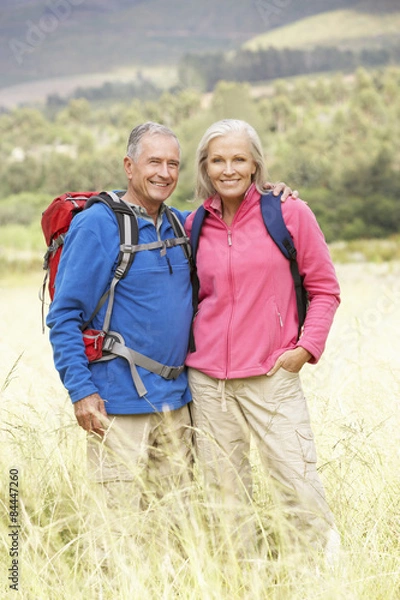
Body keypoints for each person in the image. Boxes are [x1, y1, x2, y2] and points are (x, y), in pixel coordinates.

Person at [46, 121, 294, 524]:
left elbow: (235, 216)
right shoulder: (99, 225)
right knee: (116, 533)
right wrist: (81, 392)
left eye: (173, 164)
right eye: (154, 162)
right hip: (117, 407)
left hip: (177, 405)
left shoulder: (182, 225)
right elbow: (64, 316)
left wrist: (270, 194)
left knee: (175, 532)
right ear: (129, 166)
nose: (164, 172)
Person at [185, 119, 341, 564]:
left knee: (299, 486)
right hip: (208, 381)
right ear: (206, 167)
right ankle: (242, 581)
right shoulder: (195, 223)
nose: (228, 168)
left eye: (238, 159)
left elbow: (325, 289)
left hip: (273, 374)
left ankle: (321, 584)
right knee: (224, 496)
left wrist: (304, 349)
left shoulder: (289, 212)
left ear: (255, 164)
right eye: (218, 160)